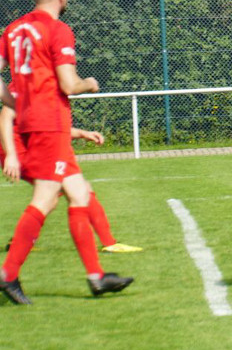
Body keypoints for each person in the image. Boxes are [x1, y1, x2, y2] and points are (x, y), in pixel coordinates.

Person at [0, 0, 134, 305]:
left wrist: (17, 103)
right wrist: (89, 82)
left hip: (35, 123)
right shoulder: (58, 30)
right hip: (50, 124)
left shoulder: (13, 30)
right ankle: (8, 274)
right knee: (46, 198)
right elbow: (68, 84)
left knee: (79, 192)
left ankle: (96, 277)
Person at [1, 105, 143, 254]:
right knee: (81, 189)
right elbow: (5, 115)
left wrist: (82, 133)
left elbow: (51, 129)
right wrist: (10, 155)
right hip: (22, 154)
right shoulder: (30, 85)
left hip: (29, 152)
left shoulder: (44, 91)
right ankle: (108, 243)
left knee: (50, 198)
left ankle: (19, 241)